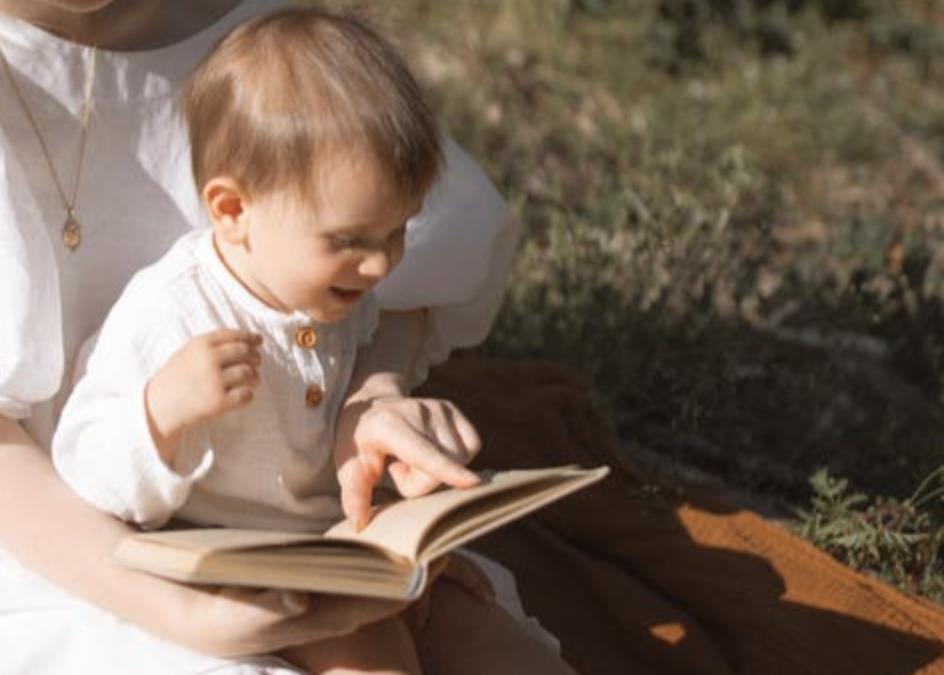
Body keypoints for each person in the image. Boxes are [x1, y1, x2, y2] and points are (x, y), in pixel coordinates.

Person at [0, 0, 572, 672]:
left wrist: (370, 399)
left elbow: (380, 286)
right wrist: (175, 609)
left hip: (267, 499)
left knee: (483, 648)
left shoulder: (266, 44)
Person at [50, 10, 568, 674]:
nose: (381, 265)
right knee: (376, 662)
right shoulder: (174, 310)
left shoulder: (336, 295)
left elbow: (353, 396)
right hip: (241, 572)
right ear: (233, 211)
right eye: (351, 241)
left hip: (339, 549)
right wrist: (161, 411)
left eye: (397, 233)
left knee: (510, 651)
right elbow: (82, 464)